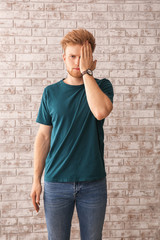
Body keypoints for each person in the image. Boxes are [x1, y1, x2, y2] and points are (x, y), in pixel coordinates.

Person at [30, 28, 114, 240]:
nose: (77, 61)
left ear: (91, 59)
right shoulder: (51, 92)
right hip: (56, 182)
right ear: (64, 58)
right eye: (72, 56)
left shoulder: (103, 86)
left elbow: (100, 111)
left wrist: (87, 73)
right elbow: (43, 137)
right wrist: (36, 180)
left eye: (82, 57)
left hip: (93, 183)